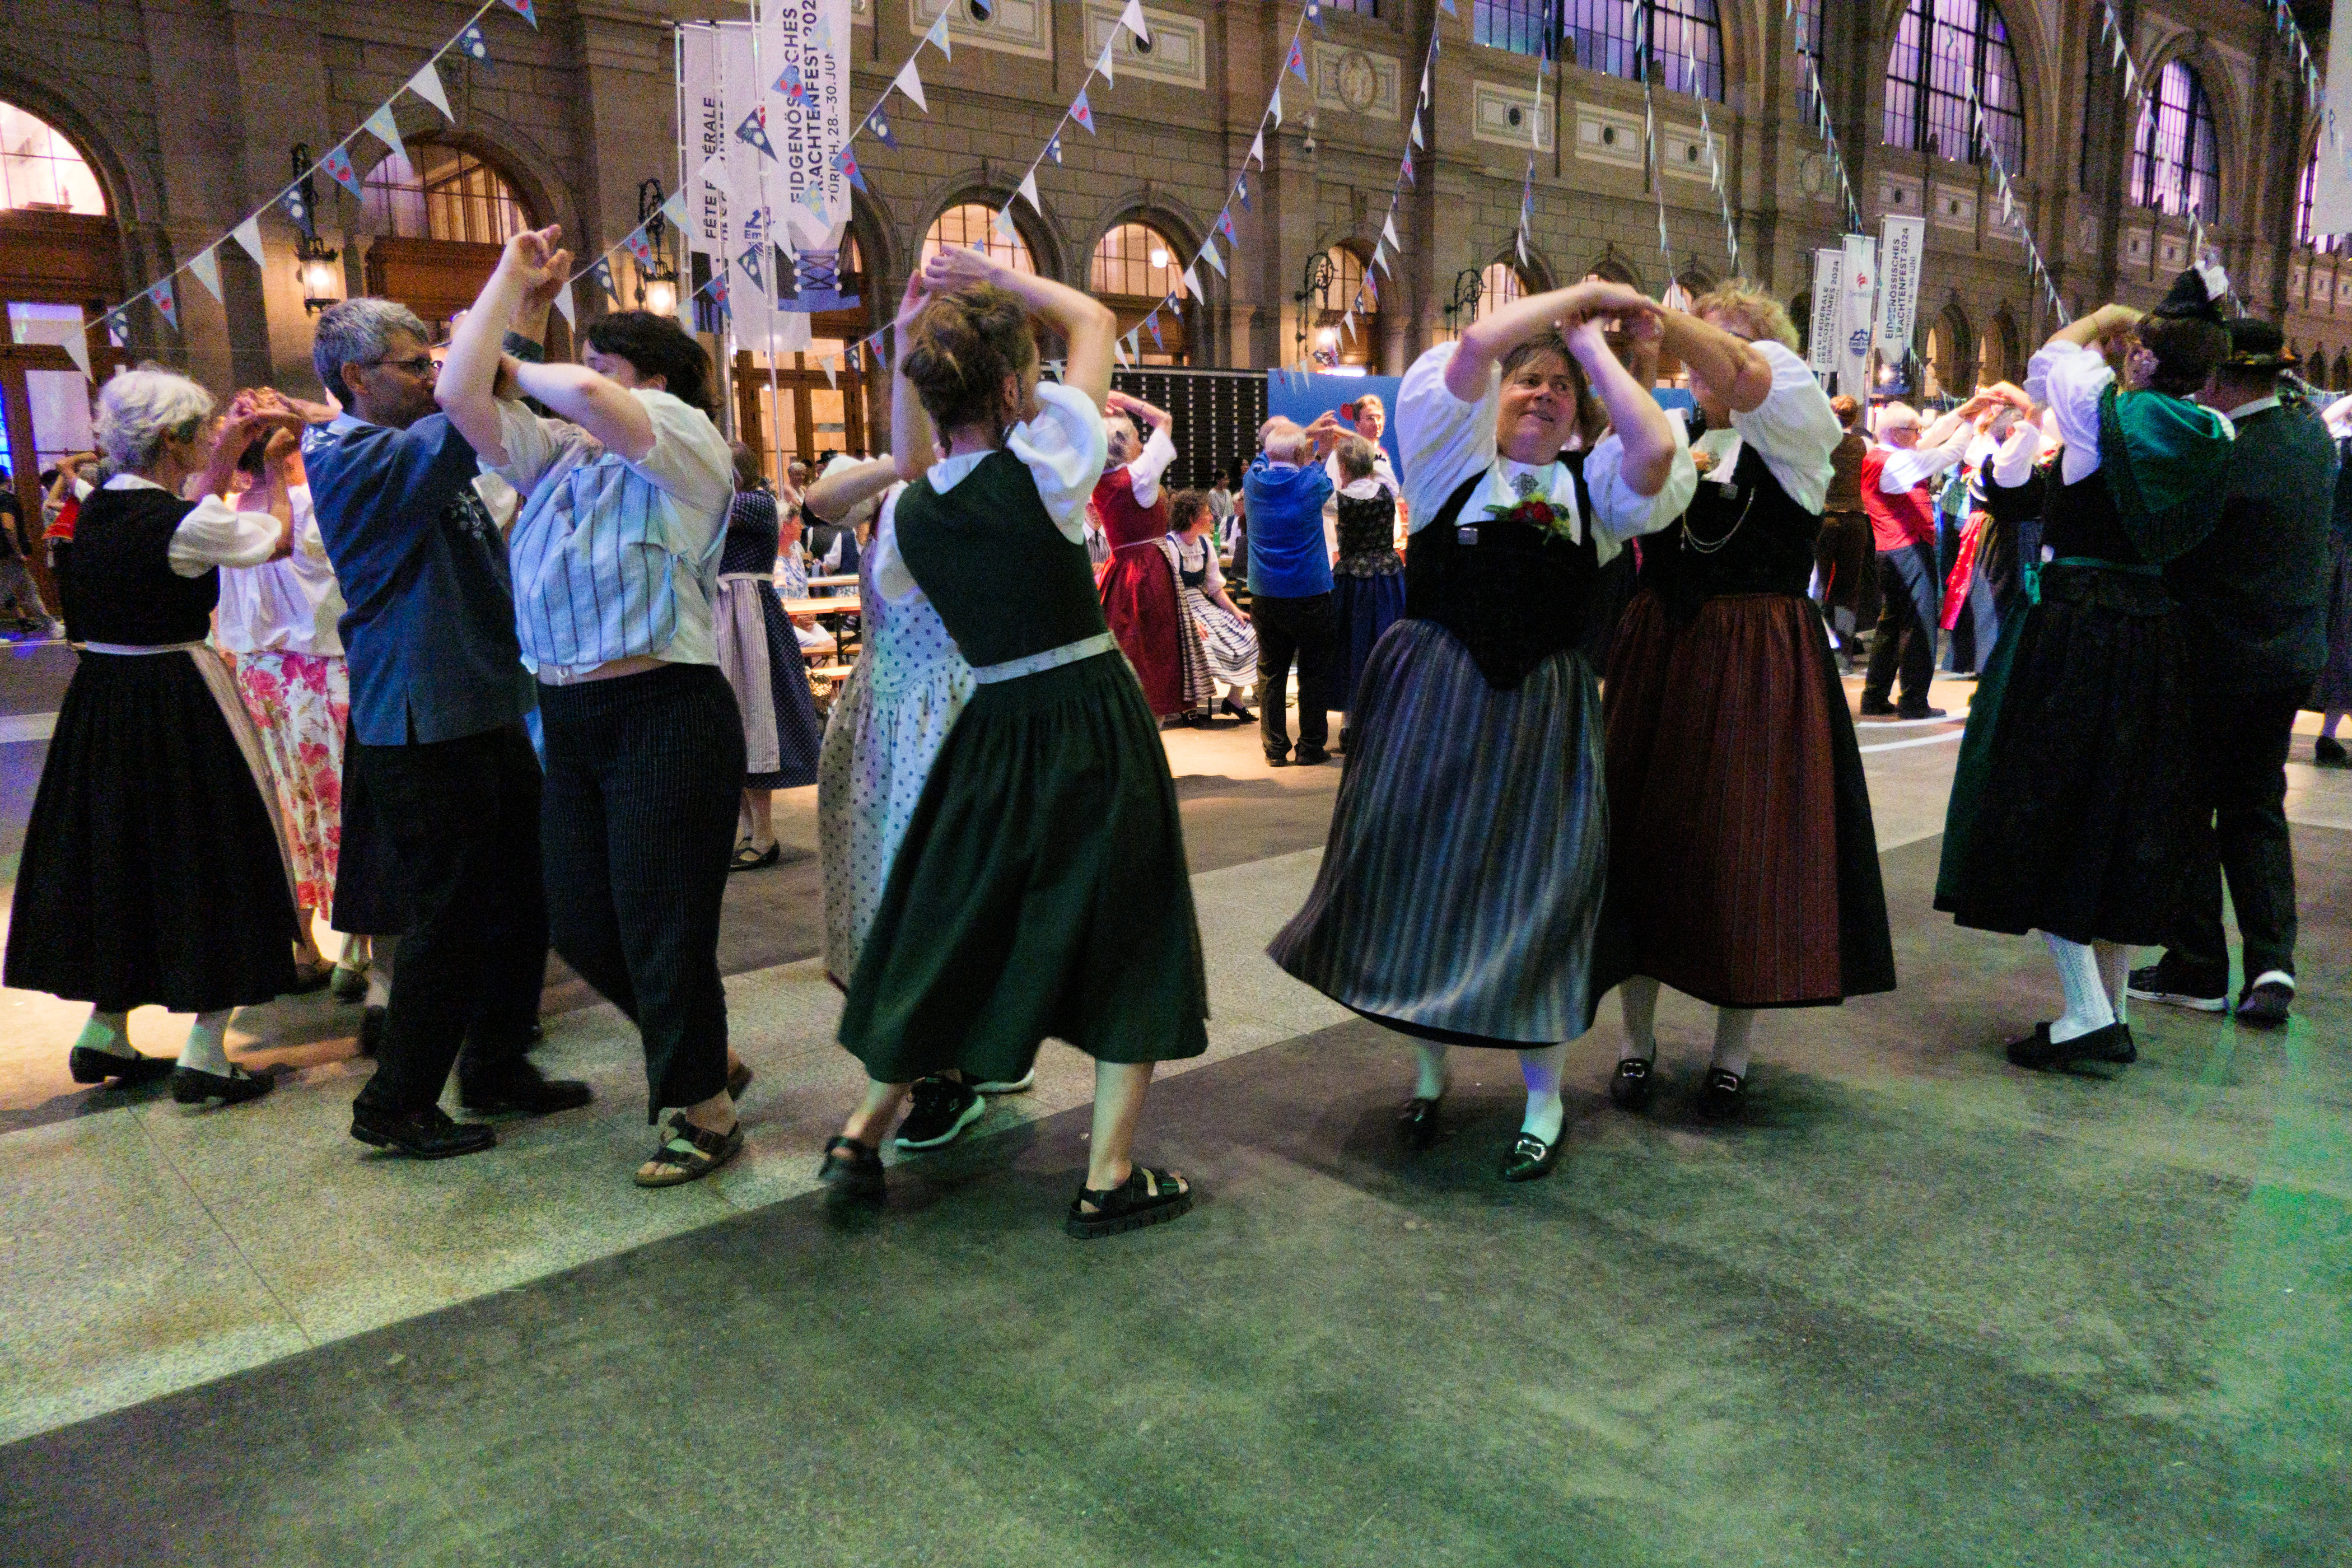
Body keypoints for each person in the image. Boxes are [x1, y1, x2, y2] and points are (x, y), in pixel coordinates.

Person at [1268, 278, 1693, 1181]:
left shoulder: (1598, 490)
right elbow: (1467, 353)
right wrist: (1578, 300)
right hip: (1434, 703)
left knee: (1540, 899)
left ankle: (1543, 1097)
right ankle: (1431, 1074)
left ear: (1581, 411)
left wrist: (1591, 348)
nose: (1541, 394)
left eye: (1561, 388)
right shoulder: (1450, 464)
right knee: (1428, 886)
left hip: (1545, 715)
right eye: (1526, 380)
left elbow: (1655, 445)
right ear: (1496, 402)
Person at [822, 246, 1203, 1238]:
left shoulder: (907, 514)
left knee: (955, 920)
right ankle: (1108, 1174)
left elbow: (912, 467)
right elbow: (1096, 325)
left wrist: (914, 331)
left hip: (986, 728)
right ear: (1005, 384)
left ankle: (866, 1126)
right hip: (1085, 716)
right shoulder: (1047, 470)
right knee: (1133, 926)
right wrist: (1005, 287)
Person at [438, 228, 752, 1189]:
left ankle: (698, 1107)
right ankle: (702, 1053)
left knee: (662, 917)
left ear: (652, 379)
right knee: (577, 917)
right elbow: (459, 394)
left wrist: (513, 353)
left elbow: (582, 394)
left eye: (608, 360)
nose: (585, 375)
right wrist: (509, 281)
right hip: (569, 719)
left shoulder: (688, 445)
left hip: (667, 709)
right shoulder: (561, 460)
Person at [1595, 285, 1897, 1116]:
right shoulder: (1673, 436)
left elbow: (1749, 376)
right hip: (1662, 648)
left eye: (1723, 343)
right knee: (1641, 839)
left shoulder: (1799, 430)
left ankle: (1732, 1053)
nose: (1703, 357)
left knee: (1746, 849)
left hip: (1759, 657)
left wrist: (1672, 327)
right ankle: (1635, 1042)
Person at [306, 295, 587, 1161]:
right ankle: (395, 1100)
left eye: (436, 360)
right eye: (412, 363)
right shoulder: (354, 457)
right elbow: (475, 407)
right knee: (452, 914)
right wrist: (507, 310)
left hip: (482, 707)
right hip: (425, 724)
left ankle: (496, 1065)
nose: (434, 375)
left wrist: (524, 311)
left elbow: (477, 401)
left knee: (524, 892)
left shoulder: (402, 446)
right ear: (356, 378)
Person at [1934, 269, 2235, 1071]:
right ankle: (2111, 1011)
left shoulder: (2105, 417)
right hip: (2155, 639)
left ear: (2140, 355)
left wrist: (2105, 316)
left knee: (2052, 809)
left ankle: (2087, 1015)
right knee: (2120, 816)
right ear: (2208, 376)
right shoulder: (2218, 437)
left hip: (2077, 633)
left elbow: (2048, 362)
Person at [4, 370, 301, 1105]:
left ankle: (105, 1029)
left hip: (101, 705)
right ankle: (206, 1049)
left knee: (121, 858)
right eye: (200, 434)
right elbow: (272, 540)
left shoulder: (95, 506)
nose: (209, 445)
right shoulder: (183, 522)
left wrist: (229, 445)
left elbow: (185, 512)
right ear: (172, 439)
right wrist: (270, 474)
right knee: (217, 855)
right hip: (177, 701)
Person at [2126, 320, 2337, 1029]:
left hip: (2217, 663)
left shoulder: (2225, 455)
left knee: (2187, 810)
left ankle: (2197, 965)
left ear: (2219, 379)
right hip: (2287, 661)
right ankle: (2273, 966)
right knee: (2256, 806)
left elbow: (2172, 543)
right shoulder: (2310, 441)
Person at [216, 418, 348, 992]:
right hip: (324, 667)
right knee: (342, 800)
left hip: (257, 673)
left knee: (283, 804)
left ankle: (302, 943)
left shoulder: (223, 511)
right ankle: (361, 946)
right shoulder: (319, 502)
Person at [712, 441, 823, 871]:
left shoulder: (758, 503)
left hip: (750, 617)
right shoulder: (734, 501)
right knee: (728, 725)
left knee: (754, 719)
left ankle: (764, 832)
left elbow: (712, 510)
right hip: (723, 613)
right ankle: (747, 830)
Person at [1859, 395, 1987, 719]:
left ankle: (1874, 697)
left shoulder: (1883, 454)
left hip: (1889, 553)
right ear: (1897, 433)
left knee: (1890, 626)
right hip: (1908, 551)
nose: (1920, 436)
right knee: (1918, 627)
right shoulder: (1897, 462)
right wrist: (1973, 420)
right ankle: (1914, 701)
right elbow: (1951, 451)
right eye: (1914, 430)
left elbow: (1934, 435)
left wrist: (1965, 410)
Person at [1094, 389, 1211, 721]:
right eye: (1135, 440)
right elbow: (1165, 420)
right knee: (1153, 656)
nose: (1143, 446)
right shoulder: (1139, 478)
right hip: (1148, 573)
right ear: (1123, 445)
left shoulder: (1098, 478)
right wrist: (1127, 401)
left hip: (1121, 573)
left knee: (1129, 649)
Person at [1244, 414, 1343, 765]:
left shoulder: (1253, 483)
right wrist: (1320, 445)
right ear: (1301, 455)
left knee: (1271, 672)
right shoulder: (1312, 483)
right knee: (1314, 673)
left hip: (1266, 595)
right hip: (1310, 593)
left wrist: (1305, 435)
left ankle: (1274, 751)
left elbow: (1263, 456)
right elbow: (1322, 473)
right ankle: (1310, 748)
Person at [1328, 434, 1404, 743]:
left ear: (1344, 466)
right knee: (1387, 646)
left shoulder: (1337, 501)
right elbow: (1385, 472)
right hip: (1388, 579)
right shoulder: (1388, 492)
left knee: (1352, 647)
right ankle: (1388, 720)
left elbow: (1316, 492)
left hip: (1353, 581)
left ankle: (1350, 723)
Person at [1168, 488, 1256, 722]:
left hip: (1203, 605)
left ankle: (1235, 699)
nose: (1211, 518)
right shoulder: (1172, 547)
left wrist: (1237, 611)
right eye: (1206, 514)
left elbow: (1215, 590)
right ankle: (1190, 706)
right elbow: (1171, 593)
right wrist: (1189, 622)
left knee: (1250, 631)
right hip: (1178, 608)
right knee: (1202, 643)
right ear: (1191, 518)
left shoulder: (1205, 545)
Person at [1813, 395, 1877, 666]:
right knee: (1848, 589)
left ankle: (1813, 648)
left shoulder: (1818, 441)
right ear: (1854, 418)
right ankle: (1844, 657)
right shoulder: (1865, 444)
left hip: (1824, 519)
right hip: (1856, 521)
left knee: (1817, 586)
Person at [2308, 388, 2352, 767]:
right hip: (2340, 549)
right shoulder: (2339, 437)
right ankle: (2328, 735)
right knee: (2339, 642)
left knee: (2339, 641)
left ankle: (2329, 735)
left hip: (2335, 547)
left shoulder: (2338, 437)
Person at [0, 465, 52, 633]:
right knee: (22, 589)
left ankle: (39, 621)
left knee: (16, 588)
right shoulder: (6, 499)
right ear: (7, 479)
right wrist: (19, 552)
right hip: (8, 553)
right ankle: (49, 624)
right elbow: (8, 527)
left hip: (4, 554)